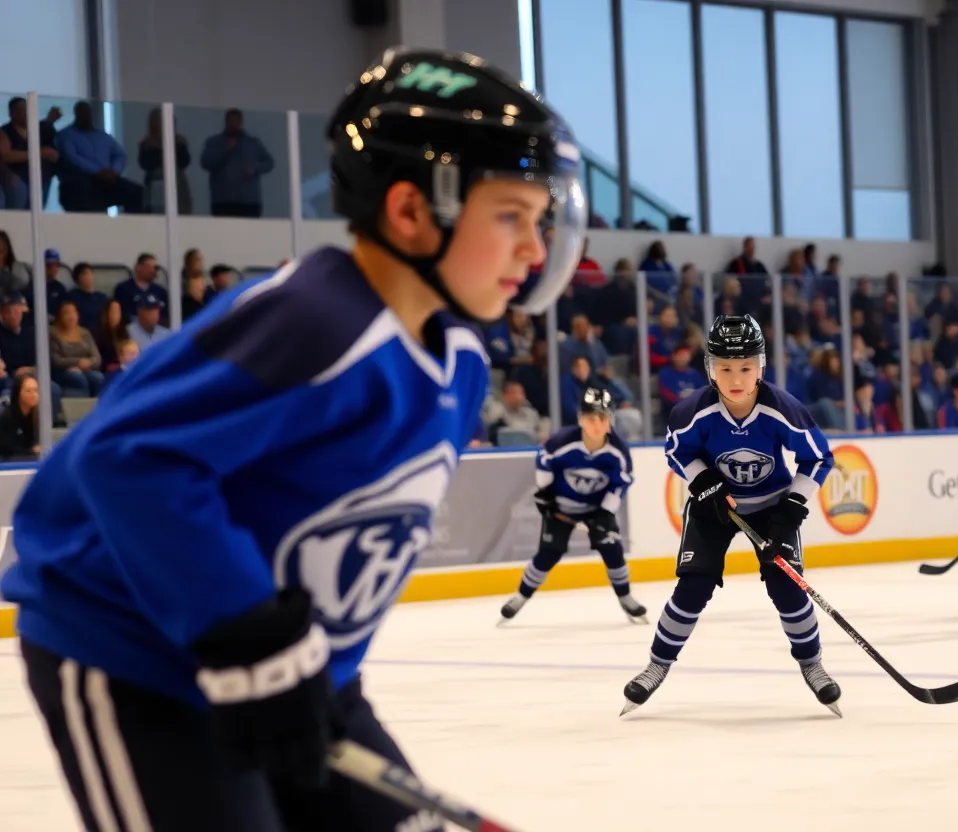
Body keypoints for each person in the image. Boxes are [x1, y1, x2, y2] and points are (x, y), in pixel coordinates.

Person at [0, 47, 586, 832]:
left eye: (541, 221)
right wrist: (249, 635)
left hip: (295, 674)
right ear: (412, 210)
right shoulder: (318, 322)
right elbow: (128, 458)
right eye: (511, 217)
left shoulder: (462, 362)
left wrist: (299, 670)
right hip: (135, 662)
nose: (537, 250)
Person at [620, 314, 841, 717]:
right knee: (693, 586)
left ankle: (812, 664)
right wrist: (704, 482)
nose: (735, 378)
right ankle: (657, 664)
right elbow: (677, 451)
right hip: (713, 506)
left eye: (745, 367)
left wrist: (792, 506)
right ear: (709, 368)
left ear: (761, 367)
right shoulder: (692, 412)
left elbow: (819, 458)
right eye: (724, 368)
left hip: (773, 507)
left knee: (787, 588)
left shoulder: (783, 409)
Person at [499, 386, 645, 625]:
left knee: (613, 551)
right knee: (548, 553)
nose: (596, 424)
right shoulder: (561, 443)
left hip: (597, 509)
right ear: (580, 419)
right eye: (590, 418)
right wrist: (545, 494)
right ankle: (520, 596)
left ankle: (626, 597)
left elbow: (621, 484)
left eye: (602, 418)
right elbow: (544, 462)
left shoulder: (618, 452)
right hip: (561, 507)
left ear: (611, 420)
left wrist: (605, 512)